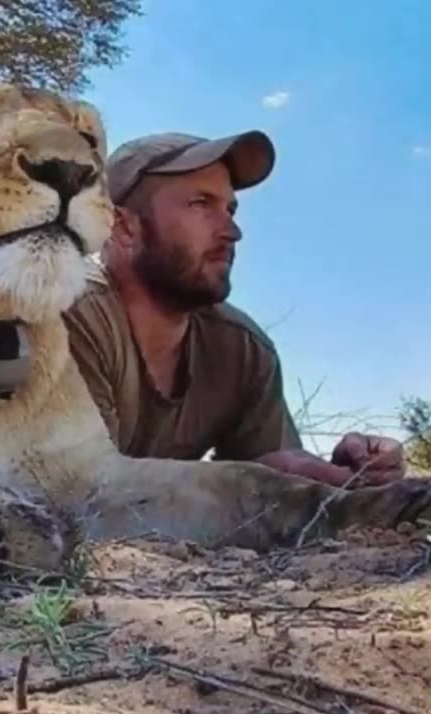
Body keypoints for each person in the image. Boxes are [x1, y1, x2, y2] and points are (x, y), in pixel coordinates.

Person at [63, 130, 405, 487]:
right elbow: (80, 491)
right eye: (201, 204)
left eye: (230, 209)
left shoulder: (242, 349)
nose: (232, 231)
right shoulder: (69, 317)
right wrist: (250, 478)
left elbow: (273, 499)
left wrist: (335, 475)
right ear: (122, 226)